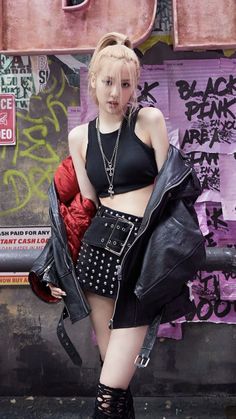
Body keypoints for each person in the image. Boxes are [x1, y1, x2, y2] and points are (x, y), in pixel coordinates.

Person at [38, 32, 205, 418]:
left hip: (140, 258)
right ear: (93, 80)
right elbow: (85, 208)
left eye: (126, 84)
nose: (116, 92)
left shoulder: (149, 120)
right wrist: (54, 265)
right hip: (97, 257)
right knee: (116, 385)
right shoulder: (79, 137)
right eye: (108, 81)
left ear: (135, 86)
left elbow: (171, 191)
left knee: (108, 393)